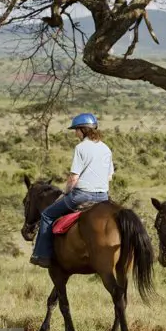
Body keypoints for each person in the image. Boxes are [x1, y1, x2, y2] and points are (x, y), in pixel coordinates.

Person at [29, 113, 114, 269]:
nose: (75, 133)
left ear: (83, 130)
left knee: (47, 215)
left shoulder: (81, 148)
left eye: (76, 130)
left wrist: (67, 191)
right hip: (103, 197)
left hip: (81, 195)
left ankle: (41, 255)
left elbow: (73, 178)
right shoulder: (106, 148)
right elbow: (109, 176)